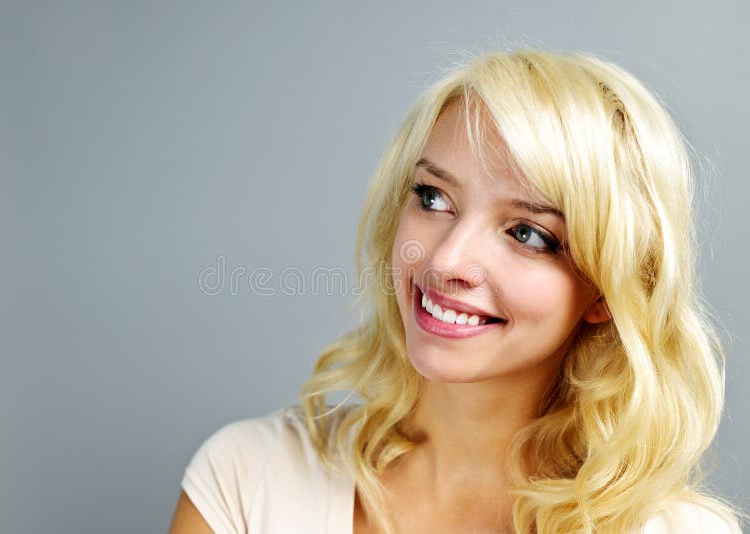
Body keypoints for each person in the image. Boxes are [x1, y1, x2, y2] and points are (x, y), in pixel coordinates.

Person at [168, 50, 742, 533]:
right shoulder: (247, 478)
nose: (446, 262)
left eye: (528, 233)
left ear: (605, 293)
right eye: (433, 198)